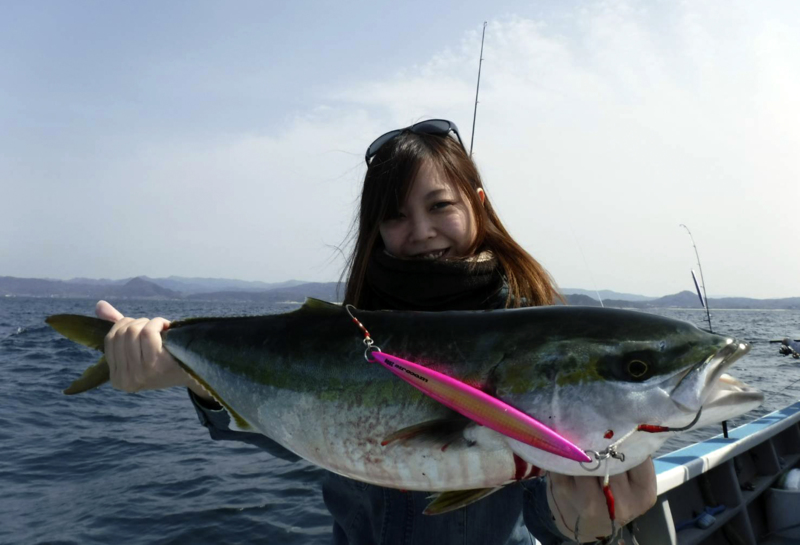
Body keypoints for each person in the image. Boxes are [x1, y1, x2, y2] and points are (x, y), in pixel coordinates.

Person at [97, 119, 657, 544]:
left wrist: (580, 523)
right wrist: (192, 377)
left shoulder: (541, 333)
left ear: (477, 205)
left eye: (441, 206)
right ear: (376, 229)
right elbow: (295, 429)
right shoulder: (352, 328)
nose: (421, 231)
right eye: (395, 216)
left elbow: (543, 504)